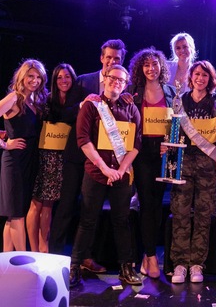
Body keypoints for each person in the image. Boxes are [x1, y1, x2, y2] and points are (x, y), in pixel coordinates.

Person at [50, 39, 126, 272]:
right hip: (78, 156)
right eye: (109, 57)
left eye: (117, 59)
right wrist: (83, 103)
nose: (113, 61)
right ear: (101, 58)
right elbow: (62, 113)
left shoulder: (124, 85)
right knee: (66, 208)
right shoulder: (83, 81)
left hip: (106, 159)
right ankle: (55, 261)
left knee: (92, 211)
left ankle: (86, 258)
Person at [69, 64, 142, 287]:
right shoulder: (91, 106)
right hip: (96, 172)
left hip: (121, 174)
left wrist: (120, 170)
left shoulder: (131, 109)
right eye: (113, 78)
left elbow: (136, 144)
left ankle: (126, 268)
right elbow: (83, 140)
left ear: (125, 83)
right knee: (88, 221)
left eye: (121, 80)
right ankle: (75, 267)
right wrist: (104, 168)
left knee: (122, 221)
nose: (116, 83)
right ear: (105, 79)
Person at [169, 60, 216, 284]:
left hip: (209, 165)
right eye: (197, 74)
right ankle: (179, 264)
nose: (200, 78)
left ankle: (197, 264)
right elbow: (173, 133)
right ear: (191, 77)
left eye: (205, 75)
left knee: (203, 216)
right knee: (180, 214)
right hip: (184, 162)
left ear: (211, 78)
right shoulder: (181, 100)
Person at [0, 59, 47, 252]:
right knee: (17, 213)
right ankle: (22, 261)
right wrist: (4, 144)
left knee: (14, 215)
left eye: (38, 77)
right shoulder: (14, 98)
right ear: (22, 76)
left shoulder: (33, 101)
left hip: (28, 160)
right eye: (30, 76)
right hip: (15, 161)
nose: (34, 81)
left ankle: (6, 260)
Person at [127, 47, 177, 279]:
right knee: (146, 204)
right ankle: (151, 257)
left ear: (161, 67)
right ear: (140, 68)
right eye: (146, 65)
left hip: (165, 153)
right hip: (141, 153)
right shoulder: (133, 92)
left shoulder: (170, 91)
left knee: (157, 206)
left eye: (154, 64)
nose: (150, 68)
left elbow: (176, 123)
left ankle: (147, 258)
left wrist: (172, 143)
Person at [27, 63, 81, 253]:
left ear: (72, 79)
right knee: (37, 202)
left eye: (67, 76)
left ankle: (44, 247)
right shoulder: (48, 100)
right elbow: (60, 116)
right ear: (54, 80)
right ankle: (33, 249)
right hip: (45, 156)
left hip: (62, 158)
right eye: (59, 77)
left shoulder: (78, 99)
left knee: (49, 204)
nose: (63, 80)